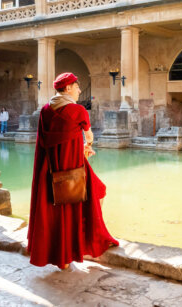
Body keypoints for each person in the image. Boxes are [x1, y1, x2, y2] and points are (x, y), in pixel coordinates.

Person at [27, 72, 118, 270]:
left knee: (58, 209)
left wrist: (78, 146)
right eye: (77, 87)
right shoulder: (78, 111)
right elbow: (89, 137)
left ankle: (64, 259)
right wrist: (86, 148)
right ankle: (88, 239)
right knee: (97, 192)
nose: (79, 90)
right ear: (68, 88)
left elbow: (48, 142)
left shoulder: (45, 110)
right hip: (74, 167)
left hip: (51, 170)